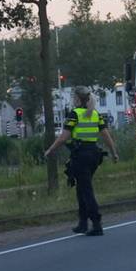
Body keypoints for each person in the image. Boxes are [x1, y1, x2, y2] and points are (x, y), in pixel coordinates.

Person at [44, 86, 120, 236]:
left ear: (77, 99)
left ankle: (96, 224)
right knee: (81, 188)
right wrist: (114, 153)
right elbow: (106, 136)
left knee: (86, 190)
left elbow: (64, 137)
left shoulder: (74, 115)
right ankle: (83, 223)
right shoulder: (95, 114)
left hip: (81, 155)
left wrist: (50, 150)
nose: (72, 99)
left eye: (73, 97)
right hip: (93, 155)